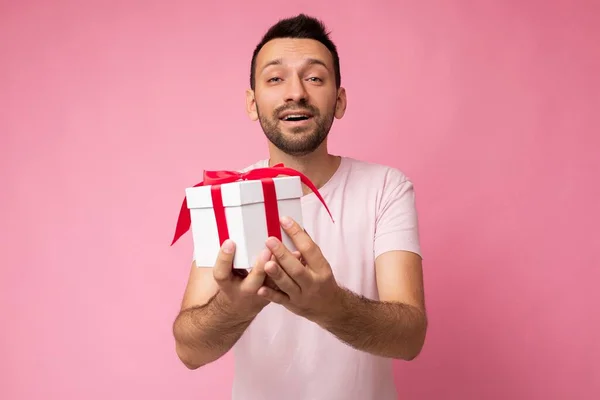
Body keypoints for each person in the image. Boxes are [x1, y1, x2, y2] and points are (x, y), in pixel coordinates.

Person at [172, 13, 427, 400]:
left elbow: (409, 338)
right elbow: (189, 350)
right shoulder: (227, 195)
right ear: (252, 102)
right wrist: (234, 308)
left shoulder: (386, 188)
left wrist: (329, 306)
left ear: (339, 100)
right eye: (275, 78)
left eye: (314, 77)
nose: (295, 92)